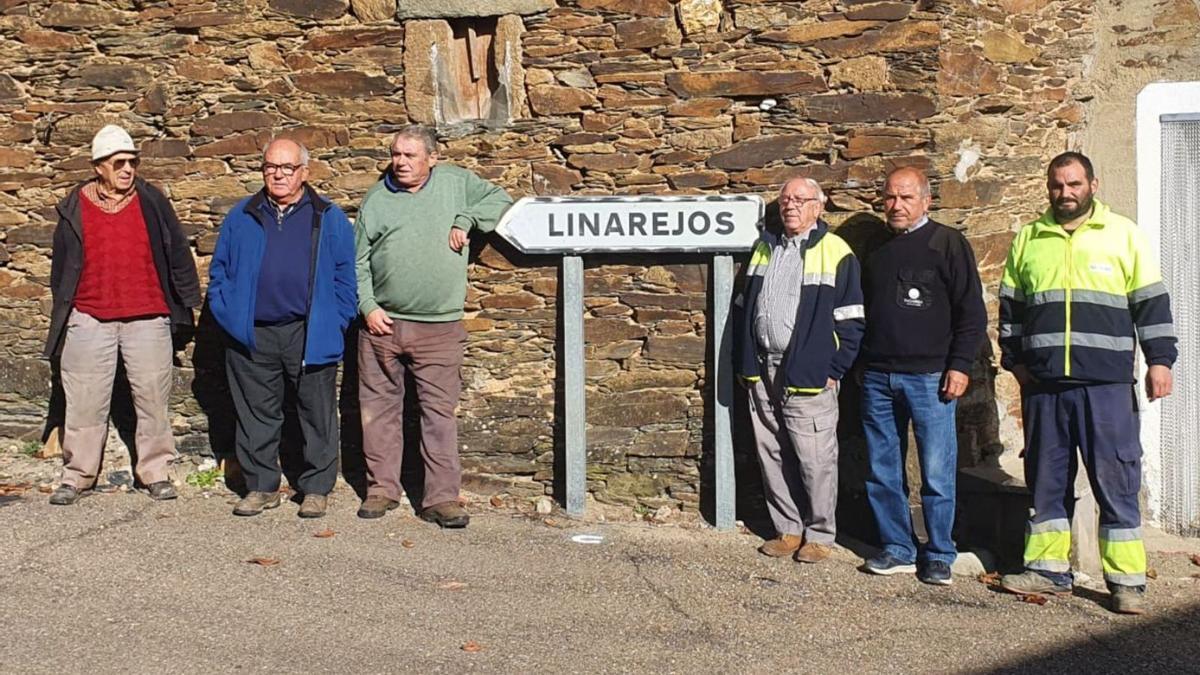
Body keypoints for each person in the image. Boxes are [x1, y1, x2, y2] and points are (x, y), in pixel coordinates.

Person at [997, 151, 1177, 615]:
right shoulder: (1028, 239)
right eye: (1057, 185)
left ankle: (1126, 582)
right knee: (1046, 480)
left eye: (1074, 184)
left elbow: (1151, 305)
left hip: (1106, 386)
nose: (1065, 193)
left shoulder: (1123, 234)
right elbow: (1010, 310)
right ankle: (1046, 569)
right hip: (1045, 386)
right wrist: (1015, 363)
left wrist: (1160, 361)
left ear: (1092, 185)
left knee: (1115, 478)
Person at [354, 125, 512, 527]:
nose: (400, 163)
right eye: (395, 154)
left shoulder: (456, 182)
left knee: (438, 414)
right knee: (378, 411)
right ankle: (382, 490)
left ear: (432, 158)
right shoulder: (377, 198)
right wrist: (368, 306)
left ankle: (441, 498)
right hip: (382, 326)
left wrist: (466, 218)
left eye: (409, 156)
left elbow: (500, 200)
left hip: (439, 328)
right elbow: (357, 261)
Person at [45, 124, 201, 505]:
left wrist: (186, 301)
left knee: (151, 398)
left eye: (132, 162)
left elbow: (177, 250)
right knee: (83, 399)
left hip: (148, 314)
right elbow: (63, 265)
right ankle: (78, 475)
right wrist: (69, 307)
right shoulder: (74, 207)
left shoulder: (151, 201)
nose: (128, 169)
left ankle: (155, 471)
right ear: (99, 166)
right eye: (119, 162)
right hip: (90, 315)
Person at [207, 138, 357, 518]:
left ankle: (317, 489)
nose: (278, 174)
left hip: (308, 331)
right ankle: (261, 486)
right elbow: (219, 273)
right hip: (252, 332)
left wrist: (335, 320)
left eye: (287, 168)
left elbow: (345, 277)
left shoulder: (327, 216)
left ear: (304, 173)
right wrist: (230, 317)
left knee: (317, 413)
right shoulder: (242, 215)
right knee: (257, 414)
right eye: (271, 166)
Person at [857, 167, 987, 585]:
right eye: (890, 197)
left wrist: (960, 365)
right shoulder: (875, 248)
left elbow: (971, 312)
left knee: (936, 471)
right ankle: (897, 547)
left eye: (906, 198)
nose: (896, 205)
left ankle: (939, 552)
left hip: (932, 378)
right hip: (878, 376)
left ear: (926, 201)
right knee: (882, 469)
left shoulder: (947, 244)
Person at [735, 177, 864, 563]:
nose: (790, 205)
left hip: (809, 374)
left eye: (800, 199)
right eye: (785, 199)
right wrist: (744, 361)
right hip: (763, 369)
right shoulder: (765, 248)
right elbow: (744, 307)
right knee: (771, 453)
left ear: (818, 206)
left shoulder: (836, 251)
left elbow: (852, 319)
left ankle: (820, 534)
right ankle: (788, 529)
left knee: (815, 458)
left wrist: (834, 368)